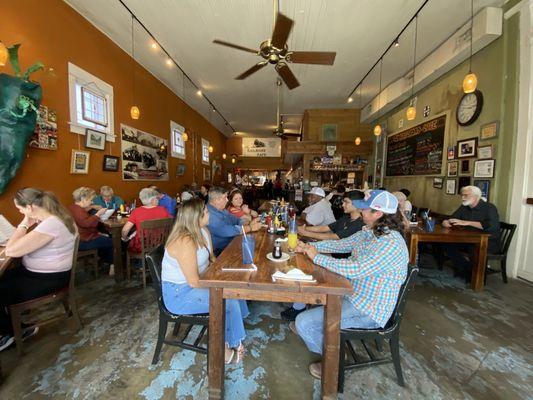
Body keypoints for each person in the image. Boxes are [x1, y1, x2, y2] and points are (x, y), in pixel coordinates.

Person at [292, 190, 409, 379]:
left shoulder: (390, 243)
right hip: (352, 293)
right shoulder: (370, 231)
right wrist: (308, 248)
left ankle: (334, 360)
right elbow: (342, 245)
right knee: (310, 300)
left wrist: (317, 257)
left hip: (368, 309)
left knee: (303, 323)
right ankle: (329, 343)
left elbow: (355, 269)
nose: (360, 212)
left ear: (377, 214)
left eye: (364, 209)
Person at [162, 199, 249, 363]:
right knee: (227, 300)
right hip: (179, 294)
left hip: (198, 282)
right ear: (196, 217)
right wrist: (219, 285)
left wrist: (224, 271)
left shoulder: (203, 231)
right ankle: (227, 347)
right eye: (205, 211)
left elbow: (211, 259)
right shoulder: (185, 241)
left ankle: (234, 330)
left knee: (234, 287)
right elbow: (194, 282)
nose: (209, 212)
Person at [1, 188, 77, 351]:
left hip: (48, 278)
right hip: (42, 274)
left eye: (20, 209)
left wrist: (24, 224)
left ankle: (12, 332)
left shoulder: (51, 224)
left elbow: (10, 250)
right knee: (5, 277)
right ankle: (14, 327)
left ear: (30, 207)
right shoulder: (55, 218)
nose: (20, 211)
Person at [281, 190, 366, 322]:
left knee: (306, 268)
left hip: (340, 262)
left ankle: (301, 305)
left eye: (346, 202)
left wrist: (307, 235)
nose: (342, 204)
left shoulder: (360, 225)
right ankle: (300, 302)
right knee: (301, 259)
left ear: (358, 205)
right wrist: (305, 231)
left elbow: (335, 238)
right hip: (332, 254)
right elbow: (327, 228)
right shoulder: (347, 218)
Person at [442, 186, 500, 281]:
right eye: (462, 195)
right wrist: (446, 222)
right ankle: (466, 269)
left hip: (488, 242)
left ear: (476, 196)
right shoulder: (464, 207)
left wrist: (467, 222)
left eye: (466, 195)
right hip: (468, 239)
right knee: (447, 243)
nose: (463, 198)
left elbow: (491, 226)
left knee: (473, 248)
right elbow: (452, 218)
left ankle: (475, 277)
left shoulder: (489, 207)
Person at [68, 187, 114, 272]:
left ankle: (103, 262)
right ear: (83, 199)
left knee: (104, 238)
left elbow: (83, 217)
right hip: (82, 241)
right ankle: (112, 266)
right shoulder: (78, 211)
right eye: (90, 200)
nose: (91, 202)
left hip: (75, 239)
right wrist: (98, 214)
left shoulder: (73, 207)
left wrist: (92, 207)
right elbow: (86, 224)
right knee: (111, 241)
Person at [206, 186, 262, 256]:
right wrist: (250, 227)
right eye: (225, 198)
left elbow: (236, 219)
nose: (227, 200)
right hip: (220, 252)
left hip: (232, 243)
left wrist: (248, 223)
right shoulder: (208, 214)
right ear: (216, 200)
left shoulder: (221, 209)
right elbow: (227, 231)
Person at [298, 190, 365, 241]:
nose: (343, 205)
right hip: (330, 247)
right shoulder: (346, 218)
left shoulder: (359, 224)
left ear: (357, 204)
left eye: (346, 202)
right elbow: (325, 228)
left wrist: (305, 233)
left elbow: (333, 237)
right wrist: (301, 228)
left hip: (338, 256)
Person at [121, 188, 171, 253]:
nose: (158, 200)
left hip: (141, 246)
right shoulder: (163, 210)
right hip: (160, 245)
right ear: (153, 200)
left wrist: (125, 238)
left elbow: (125, 230)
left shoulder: (136, 211)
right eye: (157, 198)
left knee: (126, 242)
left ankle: (134, 262)